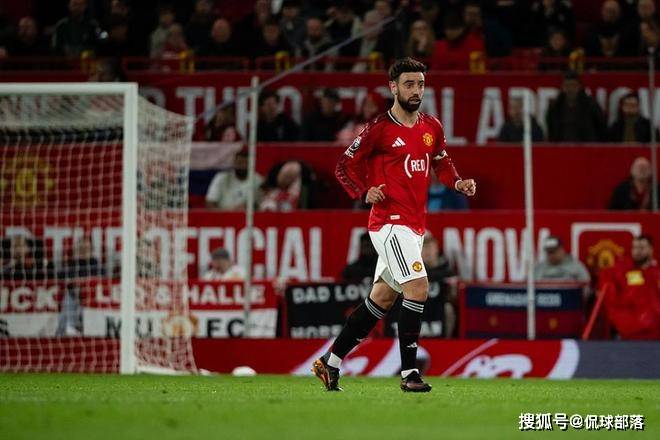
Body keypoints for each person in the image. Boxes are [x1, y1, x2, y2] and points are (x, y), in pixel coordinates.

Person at [312, 58, 476, 393]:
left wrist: (457, 182)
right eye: (409, 84)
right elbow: (344, 166)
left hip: (414, 227)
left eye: (420, 84)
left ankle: (330, 362)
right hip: (389, 223)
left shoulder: (431, 126)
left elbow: (442, 161)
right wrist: (364, 192)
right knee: (418, 287)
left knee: (382, 300)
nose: (416, 90)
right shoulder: (379, 129)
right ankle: (410, 373)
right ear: (393, 87)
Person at [600, 235, 660, 339]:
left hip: (656, 333)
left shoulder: (657, 273)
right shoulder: (620, 271)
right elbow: (609, 298)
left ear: (651, 250)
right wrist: (622, 323)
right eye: (634, 247)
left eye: (641, 248)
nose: (637, 251)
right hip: (629, 333)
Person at [546, 71, 606, 142]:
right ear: (563, 87)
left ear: (579, 87)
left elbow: (601, 128)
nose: (570, 89)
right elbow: (551, 131)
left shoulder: (591, 106)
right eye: (567, 86)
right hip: (562, 146)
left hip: (586, 146)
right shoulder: (556, 107)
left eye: (573, 85)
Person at [421, 231, 458, 338]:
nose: (427, 250)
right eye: (423, 246)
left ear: (436, 248)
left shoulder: (447, 272)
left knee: (448, 309)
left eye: (429, 246)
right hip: (418, 309)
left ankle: (446, 342)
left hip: (438, 311)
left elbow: (454, 297)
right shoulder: (411, 272)